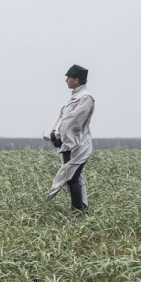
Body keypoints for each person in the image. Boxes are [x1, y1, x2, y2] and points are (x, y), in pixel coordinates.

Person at [44, 64, 95, 212]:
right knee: (74, 178)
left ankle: (77, 212)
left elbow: (73, 122)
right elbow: (62, 119)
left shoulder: (86, 98)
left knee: (72, 178)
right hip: (68, 144)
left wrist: (61, 139)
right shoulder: (74, 97)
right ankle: (81, 209)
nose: (66, 80)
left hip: (77, 145)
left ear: (77, 80)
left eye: (68, 77)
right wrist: (54, 136)